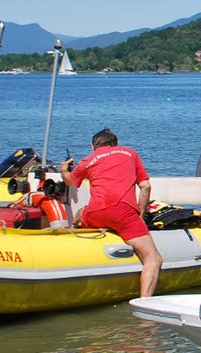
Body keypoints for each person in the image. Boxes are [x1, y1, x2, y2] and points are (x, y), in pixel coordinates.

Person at [61, 128, 162, 298]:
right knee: (154, 259)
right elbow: (146, 186)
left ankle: (71, 232)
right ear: (115, 144)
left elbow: (70, 181)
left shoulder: (88, 159)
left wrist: (64, 169)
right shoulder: (130, 153)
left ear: (93, 146)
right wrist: (140, 217)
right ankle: (145, 302)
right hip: (124, 214)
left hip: (96, 213)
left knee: (79, 213)